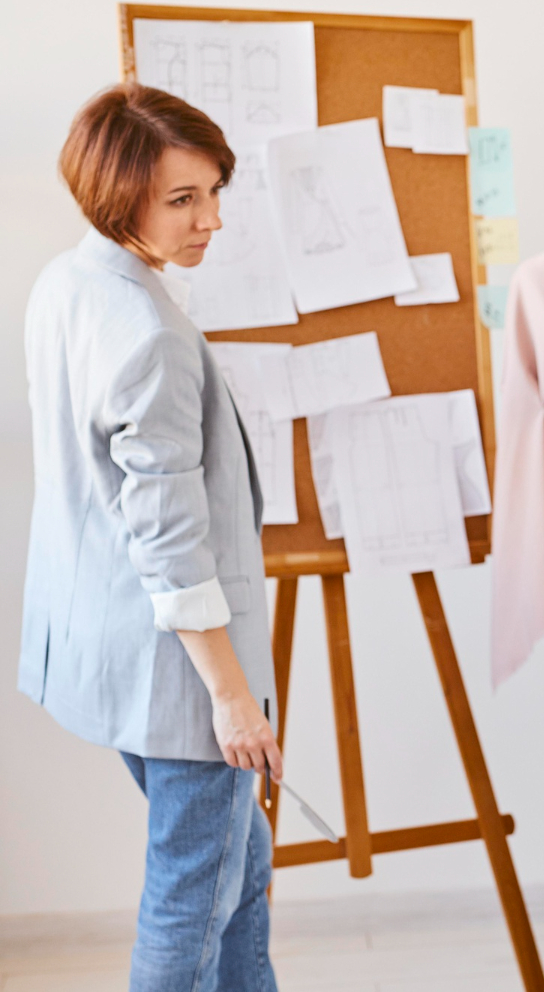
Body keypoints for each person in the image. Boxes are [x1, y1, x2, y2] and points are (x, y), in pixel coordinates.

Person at [20, 84, 281, 990]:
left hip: (106, 644)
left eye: (214, 192)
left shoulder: (69, 283)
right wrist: (234, 698)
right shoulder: (148, 331)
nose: (211, 220)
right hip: (181, 670)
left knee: (238, 873)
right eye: (183, 200)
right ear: (116, 193)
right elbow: (169, 537)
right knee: (192, 899)